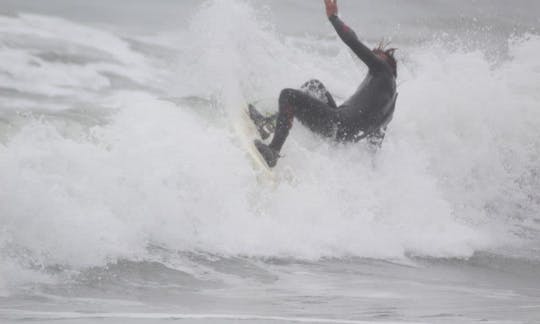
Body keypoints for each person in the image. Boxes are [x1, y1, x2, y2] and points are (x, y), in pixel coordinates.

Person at [250, 0, 398, 168]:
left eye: (377, 55)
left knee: (288, 96)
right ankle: (269, 124)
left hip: (337, 124)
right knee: (315, 86)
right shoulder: (389, 108)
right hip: (341, 132)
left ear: (388, 64)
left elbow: (353, 41)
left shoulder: (383, 70)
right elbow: (374, 147)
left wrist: (333, 17)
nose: (372, 55)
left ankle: (273, 150)